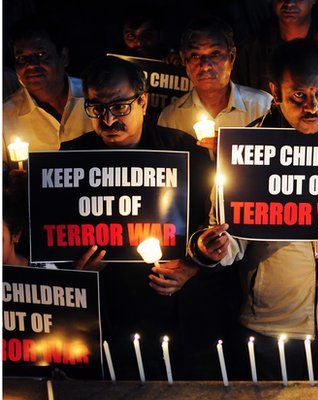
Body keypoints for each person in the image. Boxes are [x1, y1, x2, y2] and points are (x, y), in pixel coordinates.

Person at [188, 39, 318, 380]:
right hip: (270, 322)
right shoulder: (246, 149)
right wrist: (212, 249)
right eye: (299, 95)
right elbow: (229, 236)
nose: (312, 106)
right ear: (275, 92)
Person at [61, 56, 238, 380]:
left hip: (179, 321)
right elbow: (52, 244)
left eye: (120, 106)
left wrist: (192, 266)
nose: (108, 118)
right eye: (97, 107)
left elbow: (217, 233)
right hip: (108, 323)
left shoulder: (185, 152)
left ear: (143, 101)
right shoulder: (70, 157)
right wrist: (75, 274)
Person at [158, 17, 272, 153]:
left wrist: (234, 150)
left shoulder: (263, 107)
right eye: (195, 56)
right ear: (184, 59)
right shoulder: (171, 119)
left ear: (232, 57)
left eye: (215, 54)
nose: (205, 66)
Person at [3, 17, 91, 166]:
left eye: (40, 55)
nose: (30, 65)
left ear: (63, 57)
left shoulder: (96, 98)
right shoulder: (5, 118)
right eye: (21, 58)